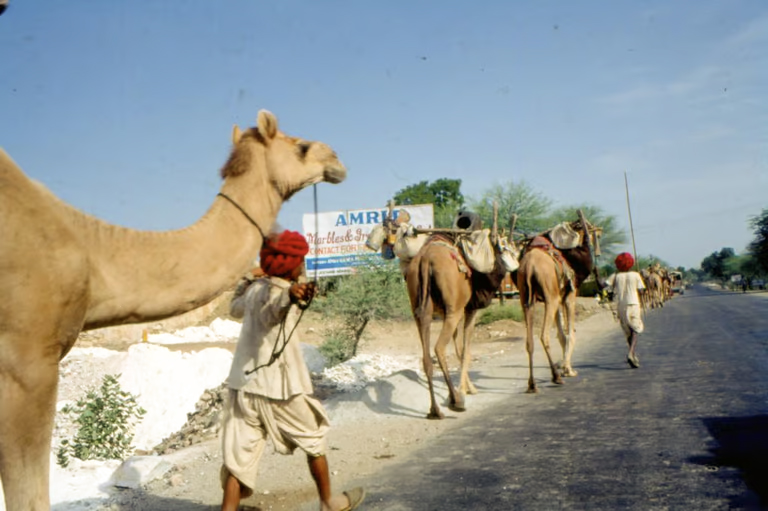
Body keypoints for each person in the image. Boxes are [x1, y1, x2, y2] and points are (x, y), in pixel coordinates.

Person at [220, 230, 365, 511]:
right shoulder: (279, 292)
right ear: (291, 265)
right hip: (279, 388)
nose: (304, 265)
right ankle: (328, 502)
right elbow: (278, 304)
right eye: (301, 260)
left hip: (243, 387)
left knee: (239, 457)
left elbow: (234, 309)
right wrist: (292, 293)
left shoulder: (253, 289)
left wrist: (253, 279)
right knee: (314, 437)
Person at [603, 252, 646, 368]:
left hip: (621, 305)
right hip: (633, 303)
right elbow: (642, 290)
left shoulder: (615, 276)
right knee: (635, 329)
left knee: (627, 331)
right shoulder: (636, 275)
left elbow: (603, 286)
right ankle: (631, 353)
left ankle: (632, 354)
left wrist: (597, 274)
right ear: (631, 263)